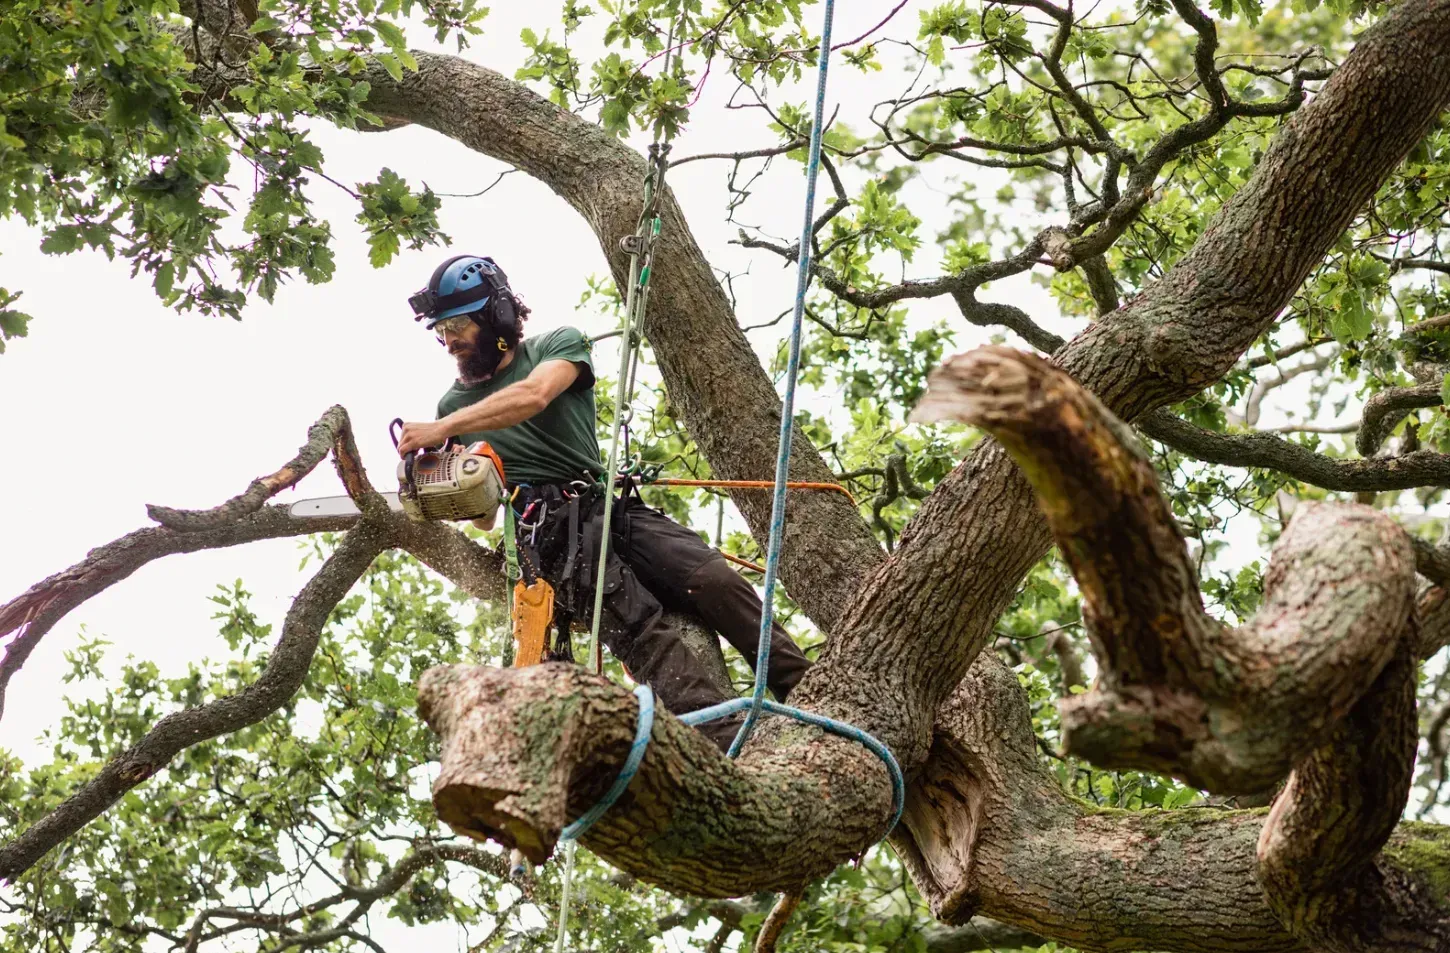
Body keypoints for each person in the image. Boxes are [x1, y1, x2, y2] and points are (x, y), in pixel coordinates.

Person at [395, 254, 812, 751]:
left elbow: (534, 396)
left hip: (605, 506)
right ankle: (730, 745)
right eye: (442, 330)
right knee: (641, 627)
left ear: (498, 316)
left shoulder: (556, 346)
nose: (450, 340)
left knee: (712, 578)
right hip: (549, 533)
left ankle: (807, 691)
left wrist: (444, 429)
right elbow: (486, 520)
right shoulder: (453, 406)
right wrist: (452, 483)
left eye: (459, 324)